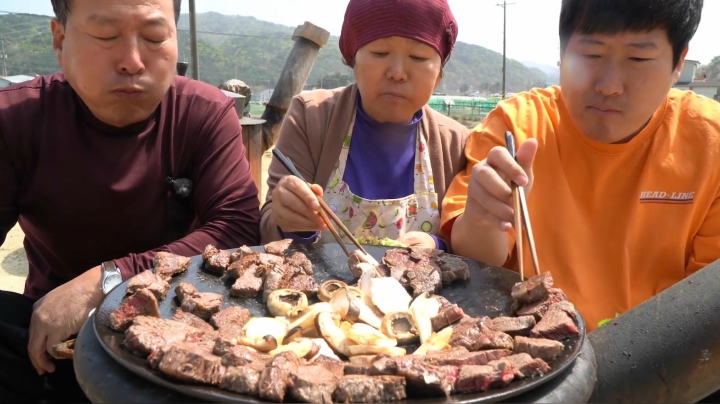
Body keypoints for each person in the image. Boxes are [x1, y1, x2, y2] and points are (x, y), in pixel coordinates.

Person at [0, 0, 261, 401]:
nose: (133, 61)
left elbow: (236, 226)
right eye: (106, 35)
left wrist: (107, 279)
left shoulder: (204, 113)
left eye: (155, 37)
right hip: (52, 330)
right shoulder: (15, 117)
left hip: (181, 330)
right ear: (60, 39)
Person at [441, 0, 719, 330]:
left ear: (678, 63)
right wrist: (484, 218)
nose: (609, 85)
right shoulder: (517, 126)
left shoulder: (710, 143)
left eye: (638, 59)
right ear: (561, 54)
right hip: (532, 355)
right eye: (591, 54)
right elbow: (477, 259)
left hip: (655, 360)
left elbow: (705, 302)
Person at [261, 0, 468, 251]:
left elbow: (466, 241)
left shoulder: (457, 143)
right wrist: (290, 220)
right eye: (380, 53)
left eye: (418, 57)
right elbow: (269, 229)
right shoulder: (310, 116)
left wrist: (437, 245)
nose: (398, 72)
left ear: (438, 74)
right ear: (353, 60)